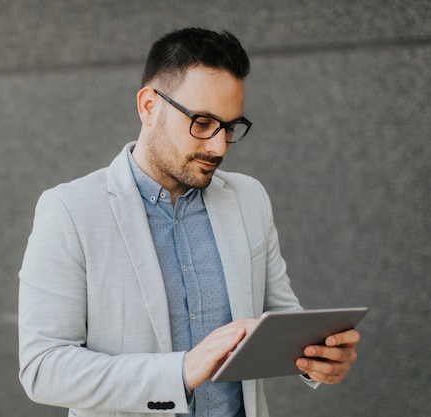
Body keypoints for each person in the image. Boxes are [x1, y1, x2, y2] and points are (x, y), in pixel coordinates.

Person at [18, 28, 360, 417]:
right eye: (202, 122)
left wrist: (317, 356)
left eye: (230, 127)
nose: (218, 146)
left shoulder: (249, 199)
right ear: (149, 107)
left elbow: (279, 317)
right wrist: (180, 372)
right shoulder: (70, 210)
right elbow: (42, 368)